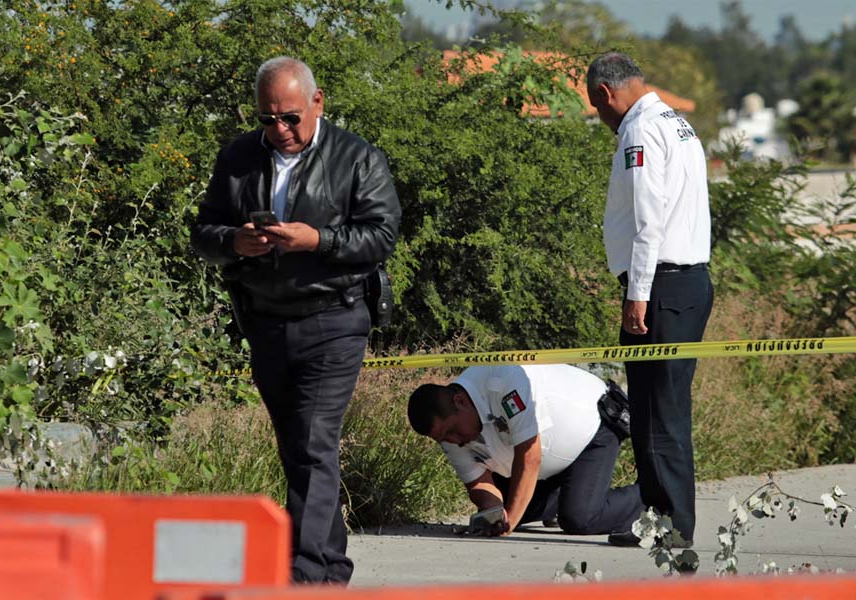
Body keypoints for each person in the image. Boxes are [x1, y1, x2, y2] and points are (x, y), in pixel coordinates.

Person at [191, 57, 401, 584]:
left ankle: (304, 577)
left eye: (289, 118)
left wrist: (319, 240)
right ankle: (330, 569)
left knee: (313, 443)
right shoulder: (238, 157)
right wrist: (232, 242)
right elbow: (202, 233)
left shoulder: (357, 158)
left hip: (334, 318)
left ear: (317, 102)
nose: (279, 130)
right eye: (267, 119)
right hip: (265, 321)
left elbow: (381, 236)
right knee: (299, 448)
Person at [586, 52, 713, 548]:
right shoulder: (676, 123)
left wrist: (637, 294)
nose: (601, 119)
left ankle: (670, 526)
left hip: (661, 286)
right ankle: (661, 517)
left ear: (604, 94)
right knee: (662, 407)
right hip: (687, 282)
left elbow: (648, 219)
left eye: (597, 108)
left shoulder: (639, 131)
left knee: (658, 413)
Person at [407, 364, 644, 537]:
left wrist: (508, 523)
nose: (454, 441)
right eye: (443, 439)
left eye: (452, 431)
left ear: (460, 401)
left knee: (580, 519)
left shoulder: (503, 383)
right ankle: (572, 492)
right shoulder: (448, 430)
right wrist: (494, 516)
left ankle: (654, 495)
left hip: (593, 427)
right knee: (512, 512)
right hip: (551, 458)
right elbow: (478, 484)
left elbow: (530, 457)